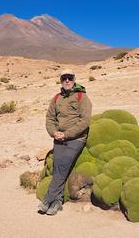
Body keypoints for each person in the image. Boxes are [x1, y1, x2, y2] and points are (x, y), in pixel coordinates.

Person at [38, 69, 92, 215]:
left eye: (69, 78)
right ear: (61, 81)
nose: (67, 80)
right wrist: (53, 132)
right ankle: (57, 202)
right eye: (64, 78)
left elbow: (85, 121)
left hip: (76, 139)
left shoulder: (82, 97)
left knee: (62, 168)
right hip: (59, 138)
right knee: (57, 170)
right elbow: (50, 118)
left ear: (74, 80)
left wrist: (67, 134)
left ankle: (47, 200)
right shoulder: (56, 98)